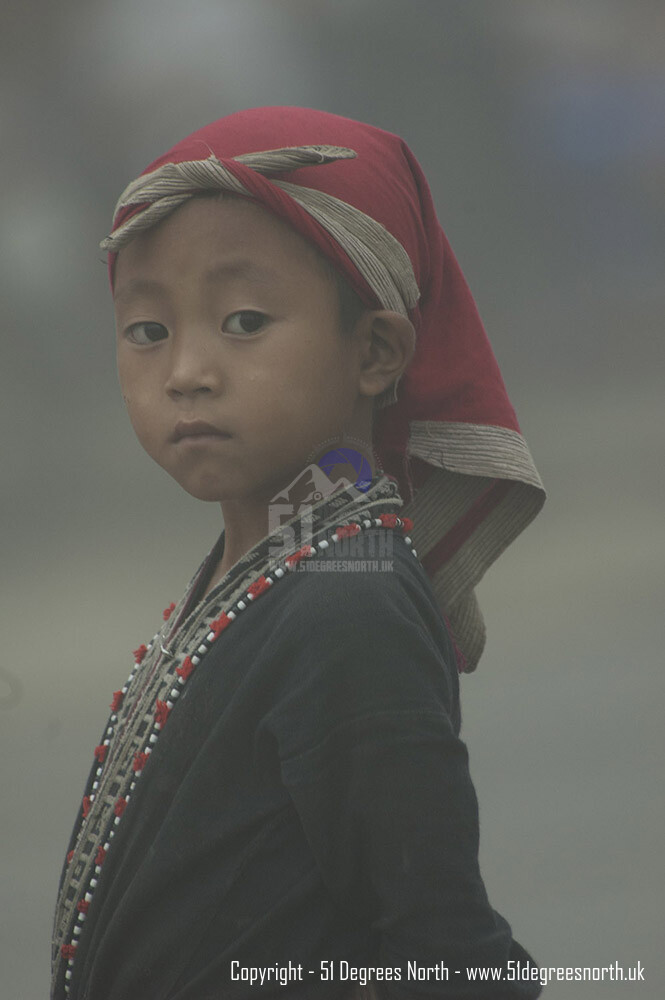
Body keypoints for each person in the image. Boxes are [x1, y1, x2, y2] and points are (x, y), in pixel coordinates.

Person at [52, 107, 546, 1000]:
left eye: (243, 319)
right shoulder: (267, 572)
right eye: (147, 331)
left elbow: (450, 953)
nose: (186, 371)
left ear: (375, 351)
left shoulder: (345, 604)